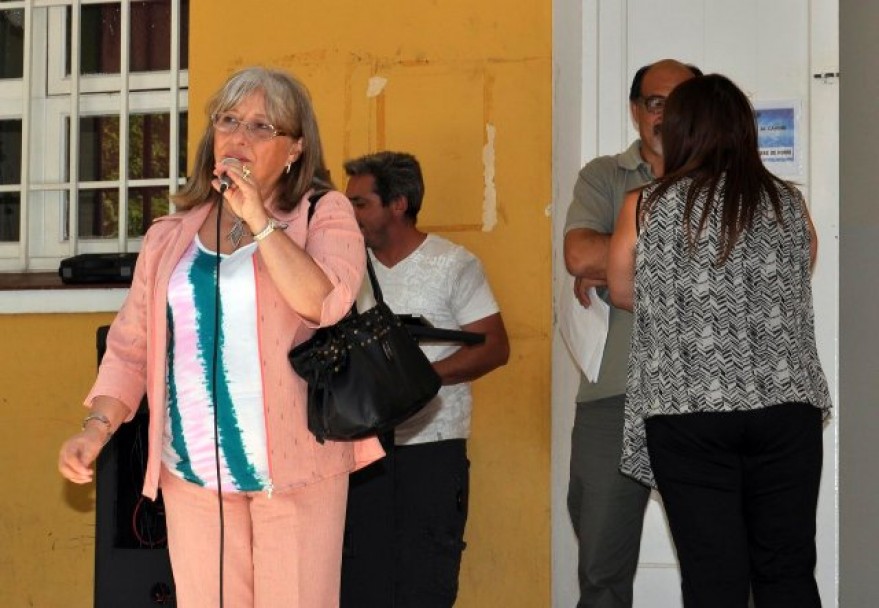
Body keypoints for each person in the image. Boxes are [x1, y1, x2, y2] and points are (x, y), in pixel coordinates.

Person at [57, 66, 382, 608]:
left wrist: (258, 218)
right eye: (229, 120)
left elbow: (323, 302)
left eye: (261, 126)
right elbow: (131, 344)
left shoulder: (324, 214)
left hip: (296, 474)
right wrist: (96, 428)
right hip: (193, 477)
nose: (239, 135)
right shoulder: (170, 236)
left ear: (294, 149)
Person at [607, 73, 832, 608]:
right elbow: (799, 275)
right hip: (786, 409)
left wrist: (689, 303)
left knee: (713, 577)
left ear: (683, 131)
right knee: (788, 569)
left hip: (689, 411)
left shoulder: (645, 205)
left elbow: (621, 289)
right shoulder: (788, 203)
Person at [340, 151, 510, 608]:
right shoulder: (345, 268)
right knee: (359, 585)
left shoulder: (454, 265)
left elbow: (495, 346)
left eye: (360, 203)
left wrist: (419, 378)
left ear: (397, 203)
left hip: (434, 449)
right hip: (360, 451)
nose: (349, 214)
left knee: (426, 585)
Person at [563, 58, 702, 608]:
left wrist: (617, 262)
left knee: (718, 561)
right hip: (612, 396)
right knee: (600, 568)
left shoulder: (722, 181)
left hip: (703, 398)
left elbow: (723, 266)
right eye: (655, 102)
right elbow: (578, 254)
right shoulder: (604, 176)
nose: (666, 115)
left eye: (682, 102)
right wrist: (681, 265)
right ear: (635, 110)